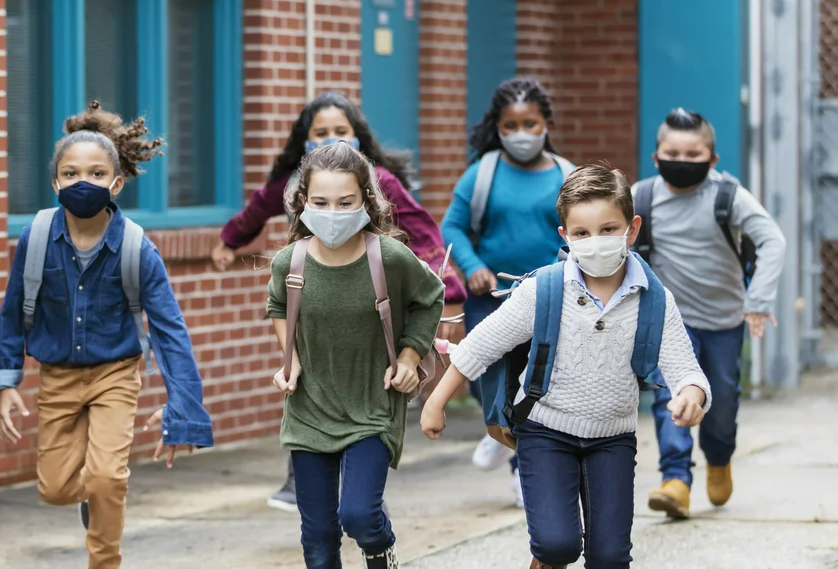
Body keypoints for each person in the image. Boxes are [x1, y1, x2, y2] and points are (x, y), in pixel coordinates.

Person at [421, 164, 711, 569]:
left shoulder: (655, 298)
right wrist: (436, 401)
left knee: (610, 557)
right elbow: (481, 345)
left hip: (613, 438)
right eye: (582, 233)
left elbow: (686, 369)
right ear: (565, 236)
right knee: (557, 545)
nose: (596, 242)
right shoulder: (544, 288)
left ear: (633, 228)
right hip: (545, 431)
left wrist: (691, 396)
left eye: (609, 229)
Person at [210, 91, 465, 511]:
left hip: (367, 320)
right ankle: (304, 480)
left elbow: (424, 233)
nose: (333, 140)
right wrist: (229, 241)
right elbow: (257, 207)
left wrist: (443, 300)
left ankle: (364, 505)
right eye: (321, 132)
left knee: (359, 505)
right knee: (312, 400)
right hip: (315, 311)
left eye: (341, 131)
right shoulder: (297, 184)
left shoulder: (380, 181)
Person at [0, 101, 214, 569]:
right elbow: (12, 312)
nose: (82, 183)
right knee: (54, 488)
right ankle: (96, 496)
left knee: (108, 476)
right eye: (70, 174)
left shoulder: (137, 248)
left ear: (116, 183)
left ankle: (105, 559)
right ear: (55, 182)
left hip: (116, 374)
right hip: (57, 377)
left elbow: (170, 330)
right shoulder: (35, 238)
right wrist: (7, 382)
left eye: (96, 173)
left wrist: (184, 408)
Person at [268, 142, 444, 569]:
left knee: (360, 516)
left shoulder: (388, 257)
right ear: (302, 203)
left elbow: (430, 298)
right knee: (319, 536)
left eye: (345, 202)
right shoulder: (290, 263)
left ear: (366, 200)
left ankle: (382, 550)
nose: (332, 213)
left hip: (371, 409)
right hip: (310, 410)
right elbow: (278, 308)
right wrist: (291, 361)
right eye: (320, 202)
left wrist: (407, 358)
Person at [636, 108, 787, 520]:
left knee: (720, 405)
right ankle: (676, 480)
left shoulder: (728, 196)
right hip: (670, 322)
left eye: (693, 153)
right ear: (656, 156)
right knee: (670, 395)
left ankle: (719, 458)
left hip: (723, 321)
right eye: (672, 152)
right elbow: (611, 240)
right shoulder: (642, 197)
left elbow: (772, 240)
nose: (681, 161)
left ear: (712, 159)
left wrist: (757, 301)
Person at [439, 77, 574, 505]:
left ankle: (521, 469)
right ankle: (496, 425)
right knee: (485, 374)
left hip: (549, 297)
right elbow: (452, 226)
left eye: (529, 123)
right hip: (492, 296)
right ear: (497, 126)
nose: (520, 134)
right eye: (511, 125)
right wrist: (473, 268)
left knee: (533, 384)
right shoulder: (483, 174)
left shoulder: (566, 175)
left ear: (546, 123)